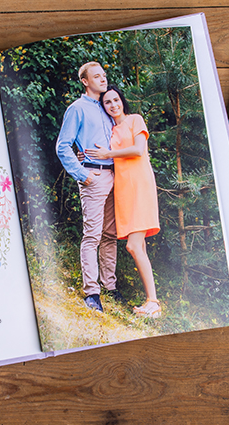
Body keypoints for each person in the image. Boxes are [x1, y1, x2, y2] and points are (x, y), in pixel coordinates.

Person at [86, 86, 161, 318]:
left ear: (122, 101)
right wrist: (84, 155)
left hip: (140, 185)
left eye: (115, 100)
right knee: (139, 247)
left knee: (133, 245)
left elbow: (139, 150)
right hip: (123, 189)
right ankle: (151, 302)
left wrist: (108, 154)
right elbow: (98, 151)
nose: (113, 105)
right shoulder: (112, 129)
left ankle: (153, 302)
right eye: (107, 102)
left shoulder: (135, 120)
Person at [55, 61, 122, 313]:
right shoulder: (77, 109)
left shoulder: (107, 106)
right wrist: (82, 174)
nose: (103, 79)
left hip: (115, 175)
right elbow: (63, 145)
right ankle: (92, 294)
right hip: (93, 176)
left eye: (104, 75)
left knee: (110, 234)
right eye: (97, 76)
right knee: (92, 235)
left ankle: (110, 287)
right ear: (85, 81)